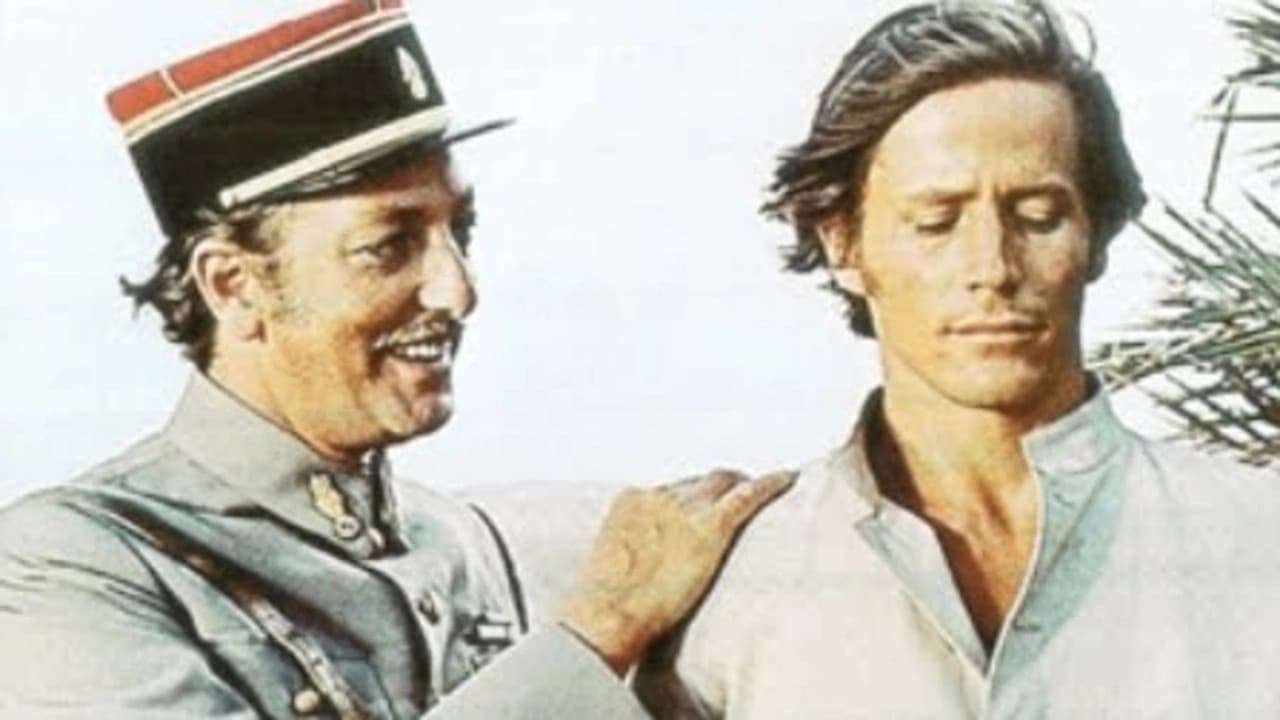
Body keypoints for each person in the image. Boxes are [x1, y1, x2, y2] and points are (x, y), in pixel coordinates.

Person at [0, 2, 792, 718]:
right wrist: (601, 630)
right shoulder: (66, 565)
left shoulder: (466, 543)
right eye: (388, 246)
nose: (458, 291)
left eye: (460, 233)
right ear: (233, 285)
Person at [633, 1, 1280, 717]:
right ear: (843, 243)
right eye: (936, 222)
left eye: (1038, 216)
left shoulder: (1259, 540)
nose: (992, 267)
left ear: (1096, 235)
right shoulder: (736, 587)